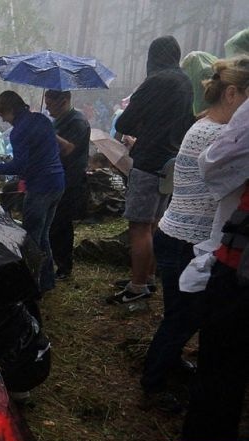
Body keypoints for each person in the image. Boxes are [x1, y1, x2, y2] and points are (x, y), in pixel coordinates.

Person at [140, 57, 249, 411]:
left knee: (179, 313)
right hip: (186, 239)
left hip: (177, 233)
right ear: (232, 94)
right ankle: (153, 383)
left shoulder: (205, 126)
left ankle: (167, 365)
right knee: (185, 317)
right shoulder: (220, 136)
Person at [180, 61, 249, 441]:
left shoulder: (223, 131)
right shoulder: (214, 131)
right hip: (225, 252)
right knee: (221, 367)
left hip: (230, 258)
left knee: (221, 370)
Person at [107, 36, 194, 304]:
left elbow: (127, 121)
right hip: (171, 161)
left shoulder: (155, 81)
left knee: (139, 225)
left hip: (148, 160)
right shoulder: (185, 82)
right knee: (156, 222)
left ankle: (137, 286)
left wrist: (141, 132)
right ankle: (149, 275)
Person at [0, 90, 65, 293]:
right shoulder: (42, 120)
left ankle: (31, 285)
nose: (4, 121)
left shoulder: (19, 131)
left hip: (40, 187)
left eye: (3, 116)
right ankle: (46, 281)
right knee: (43, 235)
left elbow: (20, 166)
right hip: (58, 182)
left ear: (10, 110)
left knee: (31, 239)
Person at [44, 90, 91, 280]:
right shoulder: (59, 120)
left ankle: (64, 266)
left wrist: (47, 132)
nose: (46, 108)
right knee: (52, 223)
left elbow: (69, 148)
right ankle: (55, 261)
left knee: (61, 224)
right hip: (54, 178)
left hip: (70, 180)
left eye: (50, 103)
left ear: (63, 101)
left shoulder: (77, 121)